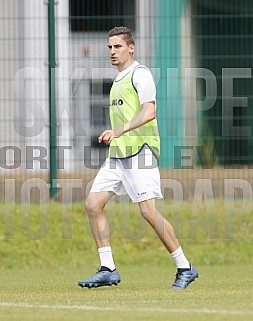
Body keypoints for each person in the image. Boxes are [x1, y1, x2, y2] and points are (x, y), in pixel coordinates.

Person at [78, 26, 198, 290]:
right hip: (118, 155)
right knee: (92, 204)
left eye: (117, 46)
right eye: (109, 47)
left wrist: (118, 131)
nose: (112, 51)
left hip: (140, 152)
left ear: (131, 48)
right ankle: (108, 268)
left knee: (148, 212)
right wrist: (115, 137)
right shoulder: (118, 80)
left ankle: (185, 267)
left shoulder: (140, 74)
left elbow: (149, 112)